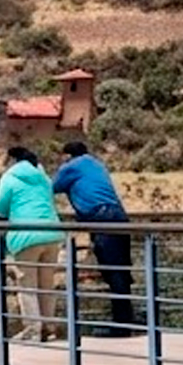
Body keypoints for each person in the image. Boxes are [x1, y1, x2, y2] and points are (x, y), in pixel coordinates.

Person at [54, 139, 136, 336]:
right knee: (121, 271)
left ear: (67, 155)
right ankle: (126, 322)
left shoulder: (71, 166)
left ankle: (122, 326)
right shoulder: (96, 163)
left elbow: (52, 187)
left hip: (101, 217)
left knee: (113, 272)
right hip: (118, 215)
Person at [0, 146, 65, 341]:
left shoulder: (10, 178)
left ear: (13, 160)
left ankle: (33, 329)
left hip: (26, 236)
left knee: (27, 285)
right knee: (46, 284)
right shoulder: (45, 179)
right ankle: (49, 328)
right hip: (52, 234)